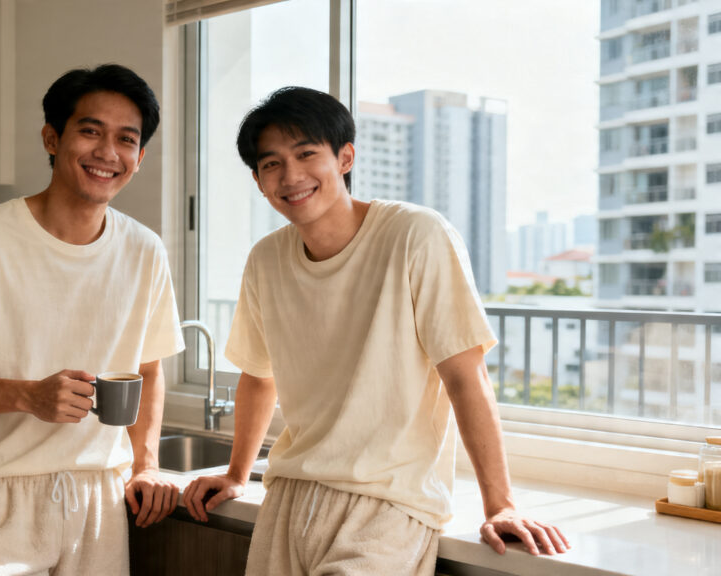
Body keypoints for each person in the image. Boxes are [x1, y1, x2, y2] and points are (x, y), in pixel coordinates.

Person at [182, 87, 570, 575]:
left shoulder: (416, 235)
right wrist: (238, 474)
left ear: (345, 158)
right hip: (290, 497)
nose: (291, 176)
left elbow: (465, 376)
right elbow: (259, 377)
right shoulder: (265, 259)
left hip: (388, 506)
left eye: (306, 154)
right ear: (259, 182)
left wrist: (501, 505)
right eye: (272, 164)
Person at [0, 64, 185, 575]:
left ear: (139, 158)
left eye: (126, 139)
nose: (107, 152)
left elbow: (147, 368)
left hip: (100, 501)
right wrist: (27, 396)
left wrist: (147, 465)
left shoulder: (145, 251)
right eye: (90, 131)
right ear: (52, 138)